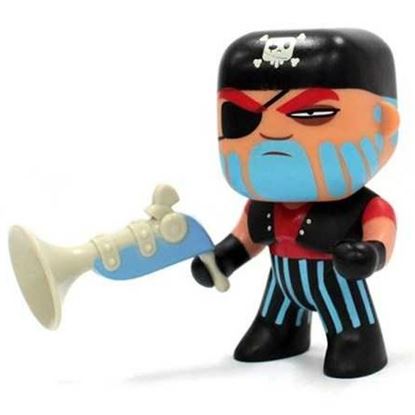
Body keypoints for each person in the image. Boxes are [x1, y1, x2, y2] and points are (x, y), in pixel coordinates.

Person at [191, 29, 399, 378]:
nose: (272, 132)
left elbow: (382, 236)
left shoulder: (366, 207)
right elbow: (245, 238)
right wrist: (222, 259)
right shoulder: (262, 204)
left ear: (384, 123)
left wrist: (369, 254)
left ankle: (356, 341)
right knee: (273, 322)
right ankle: (281, 333)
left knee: (351, 334)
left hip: (338, 287)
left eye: (312, 114)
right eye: (242, 117)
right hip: (282, 288)